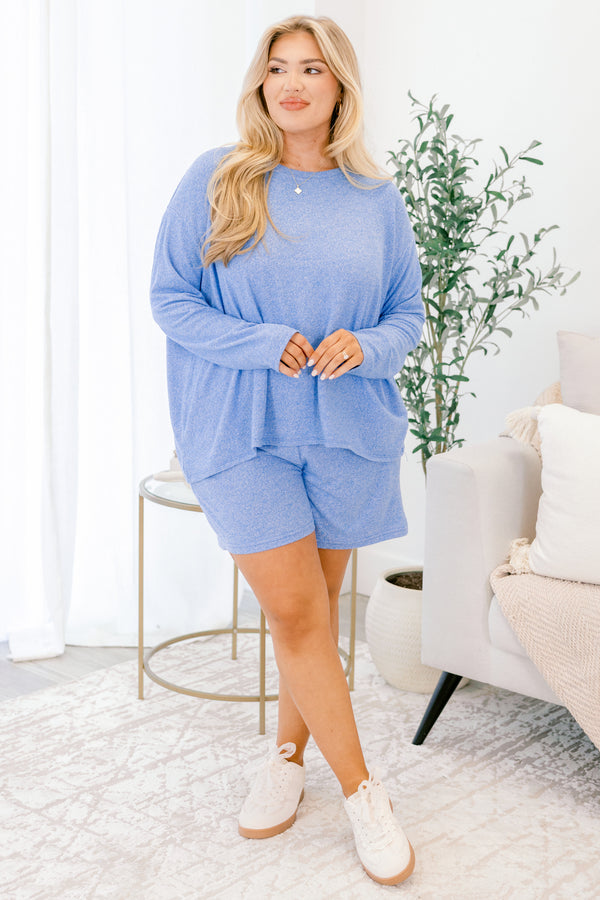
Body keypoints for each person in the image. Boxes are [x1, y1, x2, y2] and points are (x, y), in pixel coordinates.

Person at [150, 14, 424, 887]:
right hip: (239, 427)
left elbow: (406, 318)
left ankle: (286, 760)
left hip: (346, 428)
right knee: (302, 617)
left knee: (313, 609)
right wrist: (264, 341)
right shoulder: (219, 178)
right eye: (277, 69)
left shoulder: (377, 199)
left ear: (339, 84)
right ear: (261, 84)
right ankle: (363, 791)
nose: (292, 83)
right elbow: (171, 299)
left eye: (311, 68)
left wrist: (365, 347)